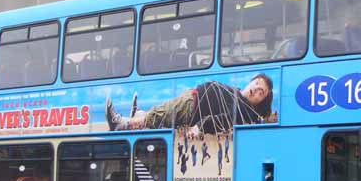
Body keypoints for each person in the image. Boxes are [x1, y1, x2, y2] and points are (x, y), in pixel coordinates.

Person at [105, 74, 274, 136]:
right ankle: (137, 116)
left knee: (158, 115)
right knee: (159, 112)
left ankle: (121, 123)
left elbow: (222, 121)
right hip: (191, 98)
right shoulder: (237, 93)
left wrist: (199, 128)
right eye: (257, 83)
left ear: (261, 101)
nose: (256, 89)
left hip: (191, 107)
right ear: (251, 80)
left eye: (261, 92)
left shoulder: (243, 111)